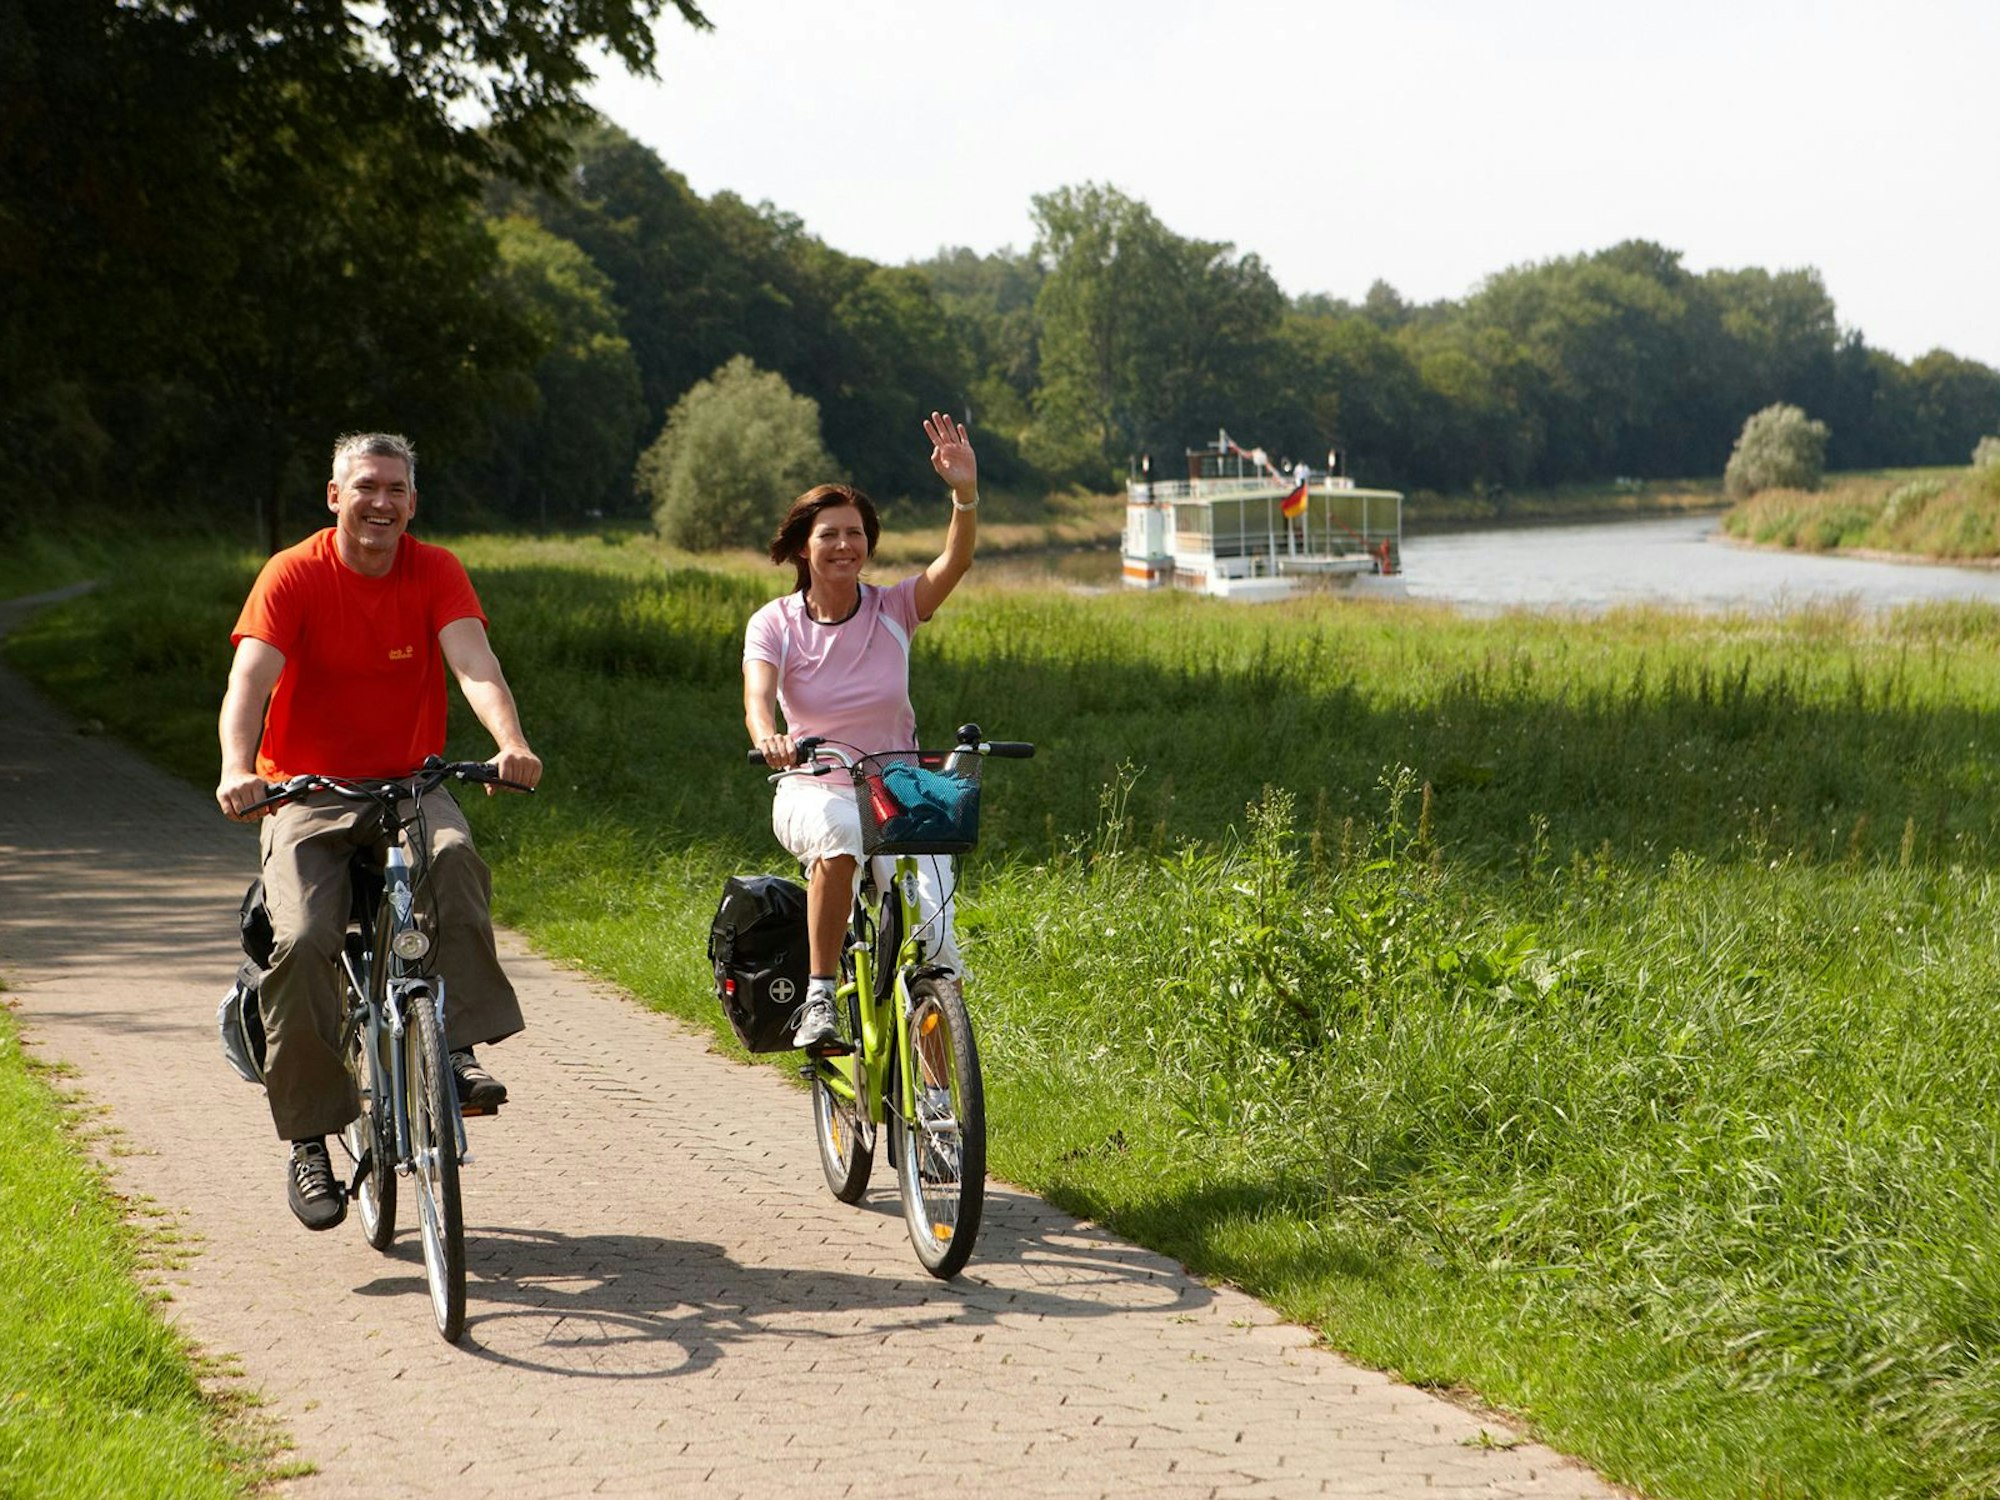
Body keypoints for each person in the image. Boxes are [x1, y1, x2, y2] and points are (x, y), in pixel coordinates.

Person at [215, 432, 542, 1231]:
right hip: (306, 792)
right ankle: (309, 1139)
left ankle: (453, 1047)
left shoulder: (435, 570)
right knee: (303, 940)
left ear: (413, 504)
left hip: (409, 784)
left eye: (396, 489)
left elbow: (475, 665)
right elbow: (249, 679)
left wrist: (510, 743)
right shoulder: (293, 573)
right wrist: (236, 768)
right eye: (366, 487)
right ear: (336, 496)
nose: (381, 503)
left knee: (454, 855)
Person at [743, 411, 979, 1049]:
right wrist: (768, 737)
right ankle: (820, 995)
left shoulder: (894, 607)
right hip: (811, 784)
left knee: (936, 948)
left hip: (899, 788)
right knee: (842, 838)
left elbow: (955, 560)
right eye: (830, 534)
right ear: (803, 546)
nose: (845, 545)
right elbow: (758, 698)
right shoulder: (775, 623)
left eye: (856, 533)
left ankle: (938, 1099)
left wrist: (964, 494)